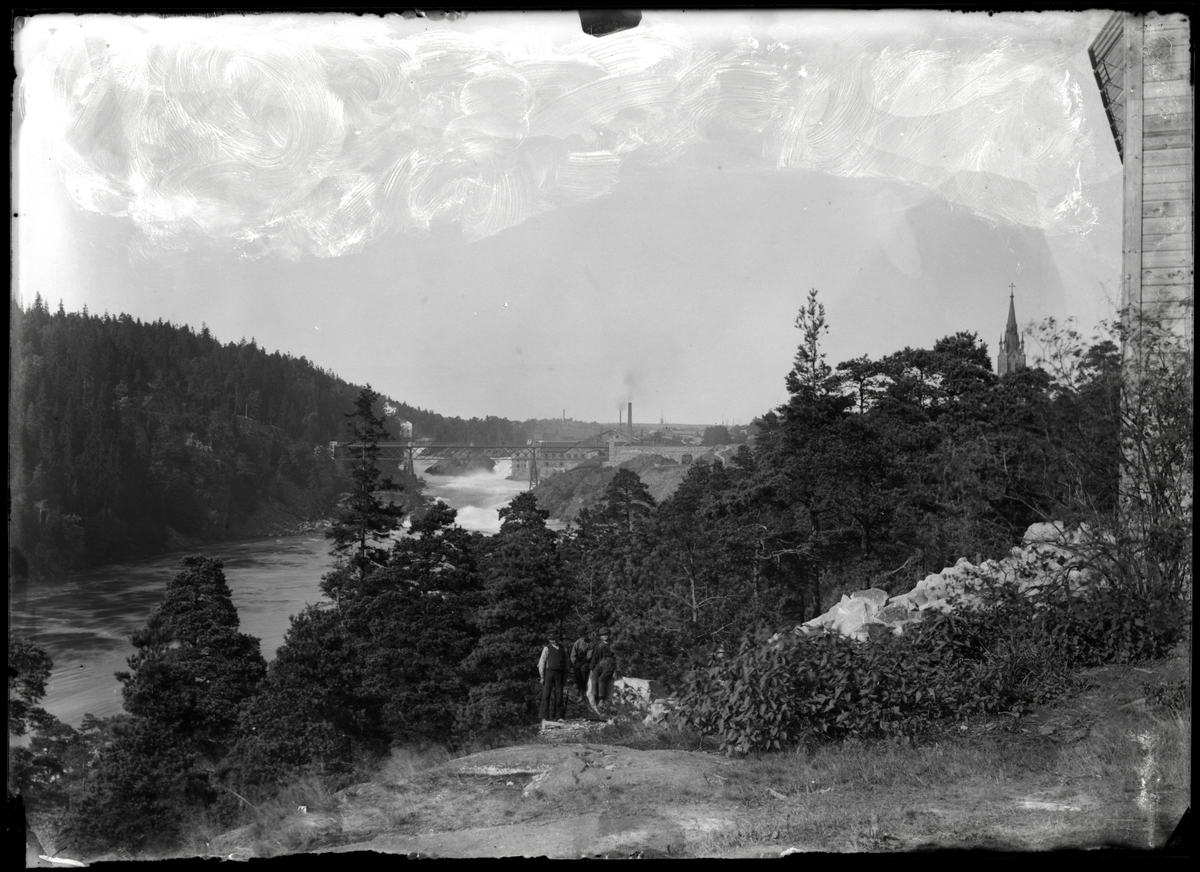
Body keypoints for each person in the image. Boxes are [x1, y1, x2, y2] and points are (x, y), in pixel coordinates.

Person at [538, 629, 568, 722]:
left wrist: (566, 676)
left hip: (559, 673)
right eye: (552, 639)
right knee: (546, 694)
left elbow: (566, 663)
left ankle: (558, 716)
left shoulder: (563, 648)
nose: (554, 640)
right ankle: (544, 717)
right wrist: (542, 676)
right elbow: (541, 663)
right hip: (549, 673)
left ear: (558, 638)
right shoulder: (547, 648)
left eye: (555, 638)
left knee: (559, 695)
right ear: (549, 640)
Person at [588, 626, 617, 714]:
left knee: (601, 679)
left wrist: (616, 670)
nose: (605, 636)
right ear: (600, 637)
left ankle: (601, 699)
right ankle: (594, 695)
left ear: (609, 634)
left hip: (609, 665)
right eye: (603, 635)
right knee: (594, 678)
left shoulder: (613, 645)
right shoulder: (598, 645)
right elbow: (595, 657)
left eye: (606, 634)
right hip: (599, 664)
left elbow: (617, 658)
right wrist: (591, 668)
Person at [568, 628, 594, 704]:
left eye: (584, 635)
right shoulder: (577, 642)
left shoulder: (591, 643)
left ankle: (583, 691)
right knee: (577, 672)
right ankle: (580, 692)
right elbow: (573, 655)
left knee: (583, 669)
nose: (582, 636)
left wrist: (581, 663)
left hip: (587, 661)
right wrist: (575, 662)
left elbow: (589, 656)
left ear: (587, 634)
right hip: (578, 661)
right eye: (581, 635)